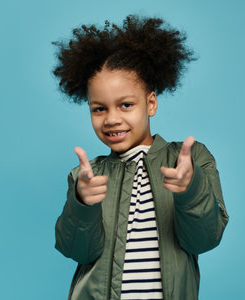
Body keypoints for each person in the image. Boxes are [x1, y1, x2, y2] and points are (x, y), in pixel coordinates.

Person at [52, 15, 229, 300]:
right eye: (99, 109)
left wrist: (190, 190)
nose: (111, 119)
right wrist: (82, 203)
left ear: (150, 103)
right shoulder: (85, 176)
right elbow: (76, 250)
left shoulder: (190, 160)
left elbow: (204, 239)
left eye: (125, 105)